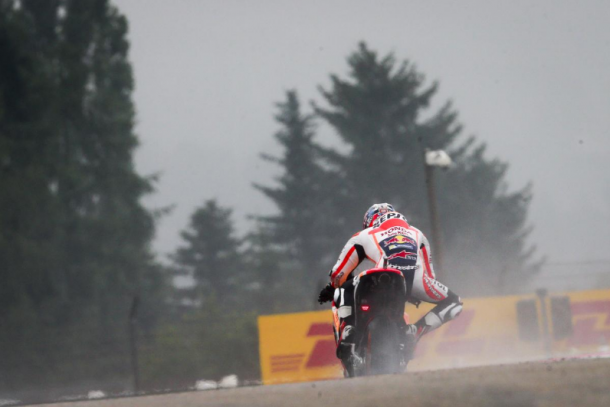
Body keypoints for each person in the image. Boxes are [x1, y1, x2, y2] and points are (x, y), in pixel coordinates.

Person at [318, 203, 463, 370]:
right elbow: (430, 276)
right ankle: (415, 331)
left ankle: (348, 333)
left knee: (341, 292)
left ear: (369, 222)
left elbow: (338, 274)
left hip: (375, 280)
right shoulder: (417, 233)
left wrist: (332, 287)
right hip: (413, 280)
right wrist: (414, 293)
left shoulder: (364, 234)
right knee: (455, 302)